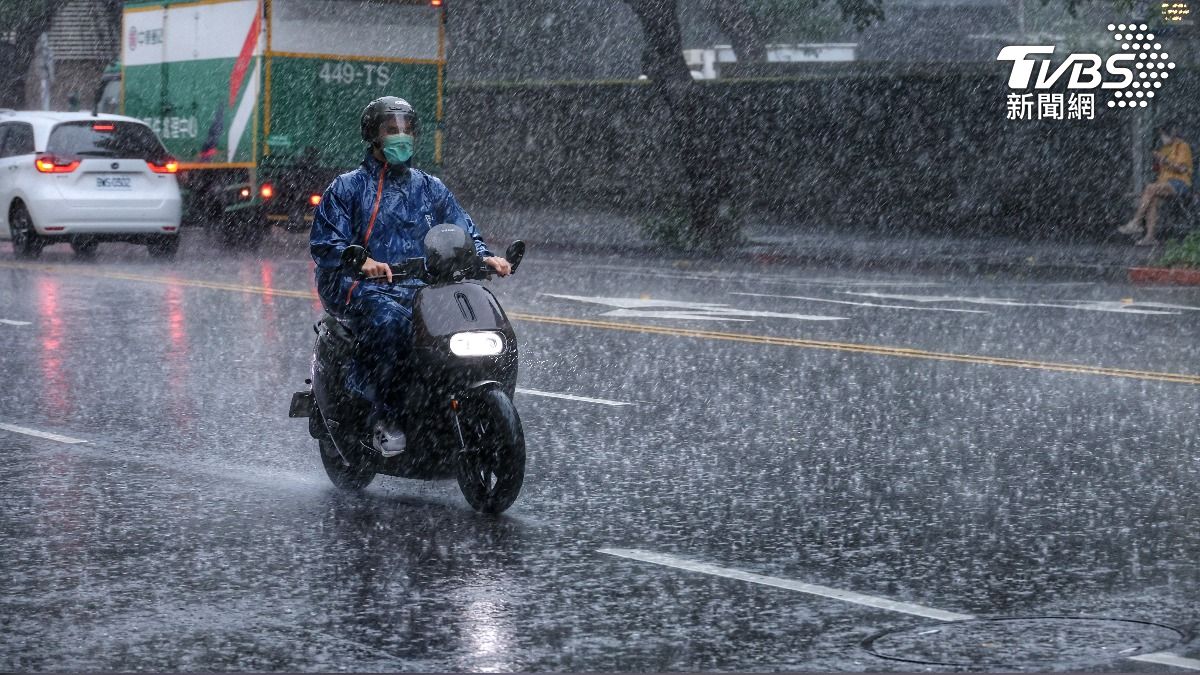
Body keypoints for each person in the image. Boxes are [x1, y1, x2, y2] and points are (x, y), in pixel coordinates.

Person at [310, 96, 511, 455]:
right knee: (389, 325)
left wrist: (484, 256)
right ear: (373, 135)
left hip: (419, 285)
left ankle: (450, 402)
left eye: (407, 130)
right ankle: (381, 415)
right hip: (358, 284)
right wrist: (359, 260)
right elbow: (326, 243)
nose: (401, 137)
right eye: (391, 130)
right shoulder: (348, 188)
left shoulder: (429, 186)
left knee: (463, 324)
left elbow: (461, 226)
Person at [1118, 122, 1193, 246]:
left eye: (1163, 135)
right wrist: (1158, 162)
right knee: (1152, 199)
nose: (1162, 138)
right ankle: (1150, 237)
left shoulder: (1182, 146)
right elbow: (1161, 171)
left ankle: (1136, 222)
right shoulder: (1164, 149)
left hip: (1180, 183)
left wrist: (1164, 160)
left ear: (1170, 134)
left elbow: (1182, 169)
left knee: (1150, 188)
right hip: (1165, 183)